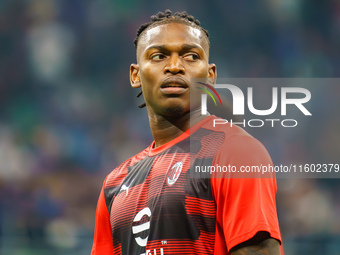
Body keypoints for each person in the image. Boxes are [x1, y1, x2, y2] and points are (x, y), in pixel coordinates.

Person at [91, 10, 282, 255]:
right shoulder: (114, 184)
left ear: (210, 76)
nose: (174, 67)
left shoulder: (236, 153)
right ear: (135, 75)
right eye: (158, 56)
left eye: (191, 56)